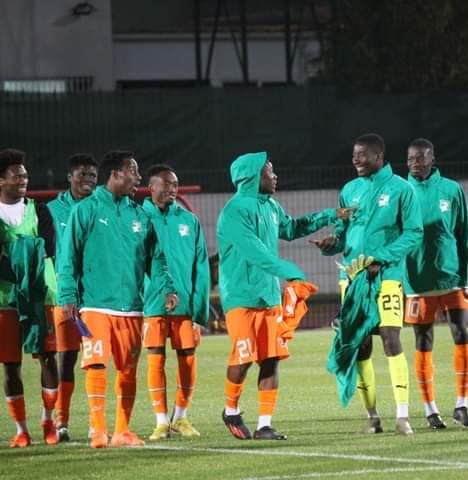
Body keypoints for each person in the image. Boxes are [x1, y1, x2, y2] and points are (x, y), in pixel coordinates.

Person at [217, 152, 351, 441]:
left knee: (271, 358)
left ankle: (265, 424)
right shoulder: (234, 211)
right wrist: (291, 271)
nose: (275, 176)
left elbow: (291, 228)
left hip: (268, 296)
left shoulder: (271, 206)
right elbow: (254, 252)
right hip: (240, 296)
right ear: (252, 177)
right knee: (243, 355)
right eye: (269, 171)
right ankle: (230, 410)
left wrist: (331, 215)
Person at [57, 150, 177, 448]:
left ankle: (122, 431)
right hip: (96, 305)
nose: (138, 178)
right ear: (115, 174)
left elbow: (157, 258)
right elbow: (67, 258)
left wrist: (166, 288)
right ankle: (98, 430)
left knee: (127, 370)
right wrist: (68, 296)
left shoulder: (140, 214)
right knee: (95, 364)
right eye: (132, 171)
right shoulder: (85, 211)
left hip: (132, 308)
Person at [313, 133, 423, 435]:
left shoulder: (402, 189)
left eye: (361, 155)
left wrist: (381, 258)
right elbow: (343, 233)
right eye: (353, 155)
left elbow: (414, 233)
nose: (355, 160)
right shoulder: (349, 190)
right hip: (351, 280)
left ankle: (403, 415)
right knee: (360, 345)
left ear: (379, 156)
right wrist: (331, 244)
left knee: (391, 338)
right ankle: (372, 416)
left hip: (386, 278)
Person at [403, 138, 468, 429]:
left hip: (452, 278)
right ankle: (430, 409)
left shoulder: (452, 190)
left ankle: (462, 405)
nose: (414, 163)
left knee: (461, 334)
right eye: (410, 159)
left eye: (420, 158)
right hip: (416, 282)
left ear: (432, 159)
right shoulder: (401, 192)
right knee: (423, 341)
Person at [142, 164, 209, 441]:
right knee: (155, 360)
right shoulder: (139, 217)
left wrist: (199, 312)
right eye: (167, 184)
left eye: (175, 184)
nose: (172, 189)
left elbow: (201, 267)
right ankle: (160, 421)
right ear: (152, 186)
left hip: (184, 307)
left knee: (187, 361)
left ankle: (180, 417)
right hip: (152, 304)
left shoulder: (189, 220)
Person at [0, 148, 59, 447]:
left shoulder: (40, 210)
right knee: (11, 364)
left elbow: (48, 247)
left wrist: (12, 253)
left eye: (25, 175)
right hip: (5, 300)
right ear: (1, 180)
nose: (23, 179)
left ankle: (49, 420)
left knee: (49, 358)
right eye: (16, 175)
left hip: (40, 295)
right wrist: (26, 249)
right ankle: (21, 429)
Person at [46, 153, 99, 442]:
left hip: (95, 298)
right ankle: (61, 422)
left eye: (93, 175)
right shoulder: (53, 210)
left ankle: (96, 422)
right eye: (82, 175)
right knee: (66, 358)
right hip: (64, 298)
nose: (88, 180)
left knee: (95, 360)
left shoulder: (99, 208)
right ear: (70, 177)